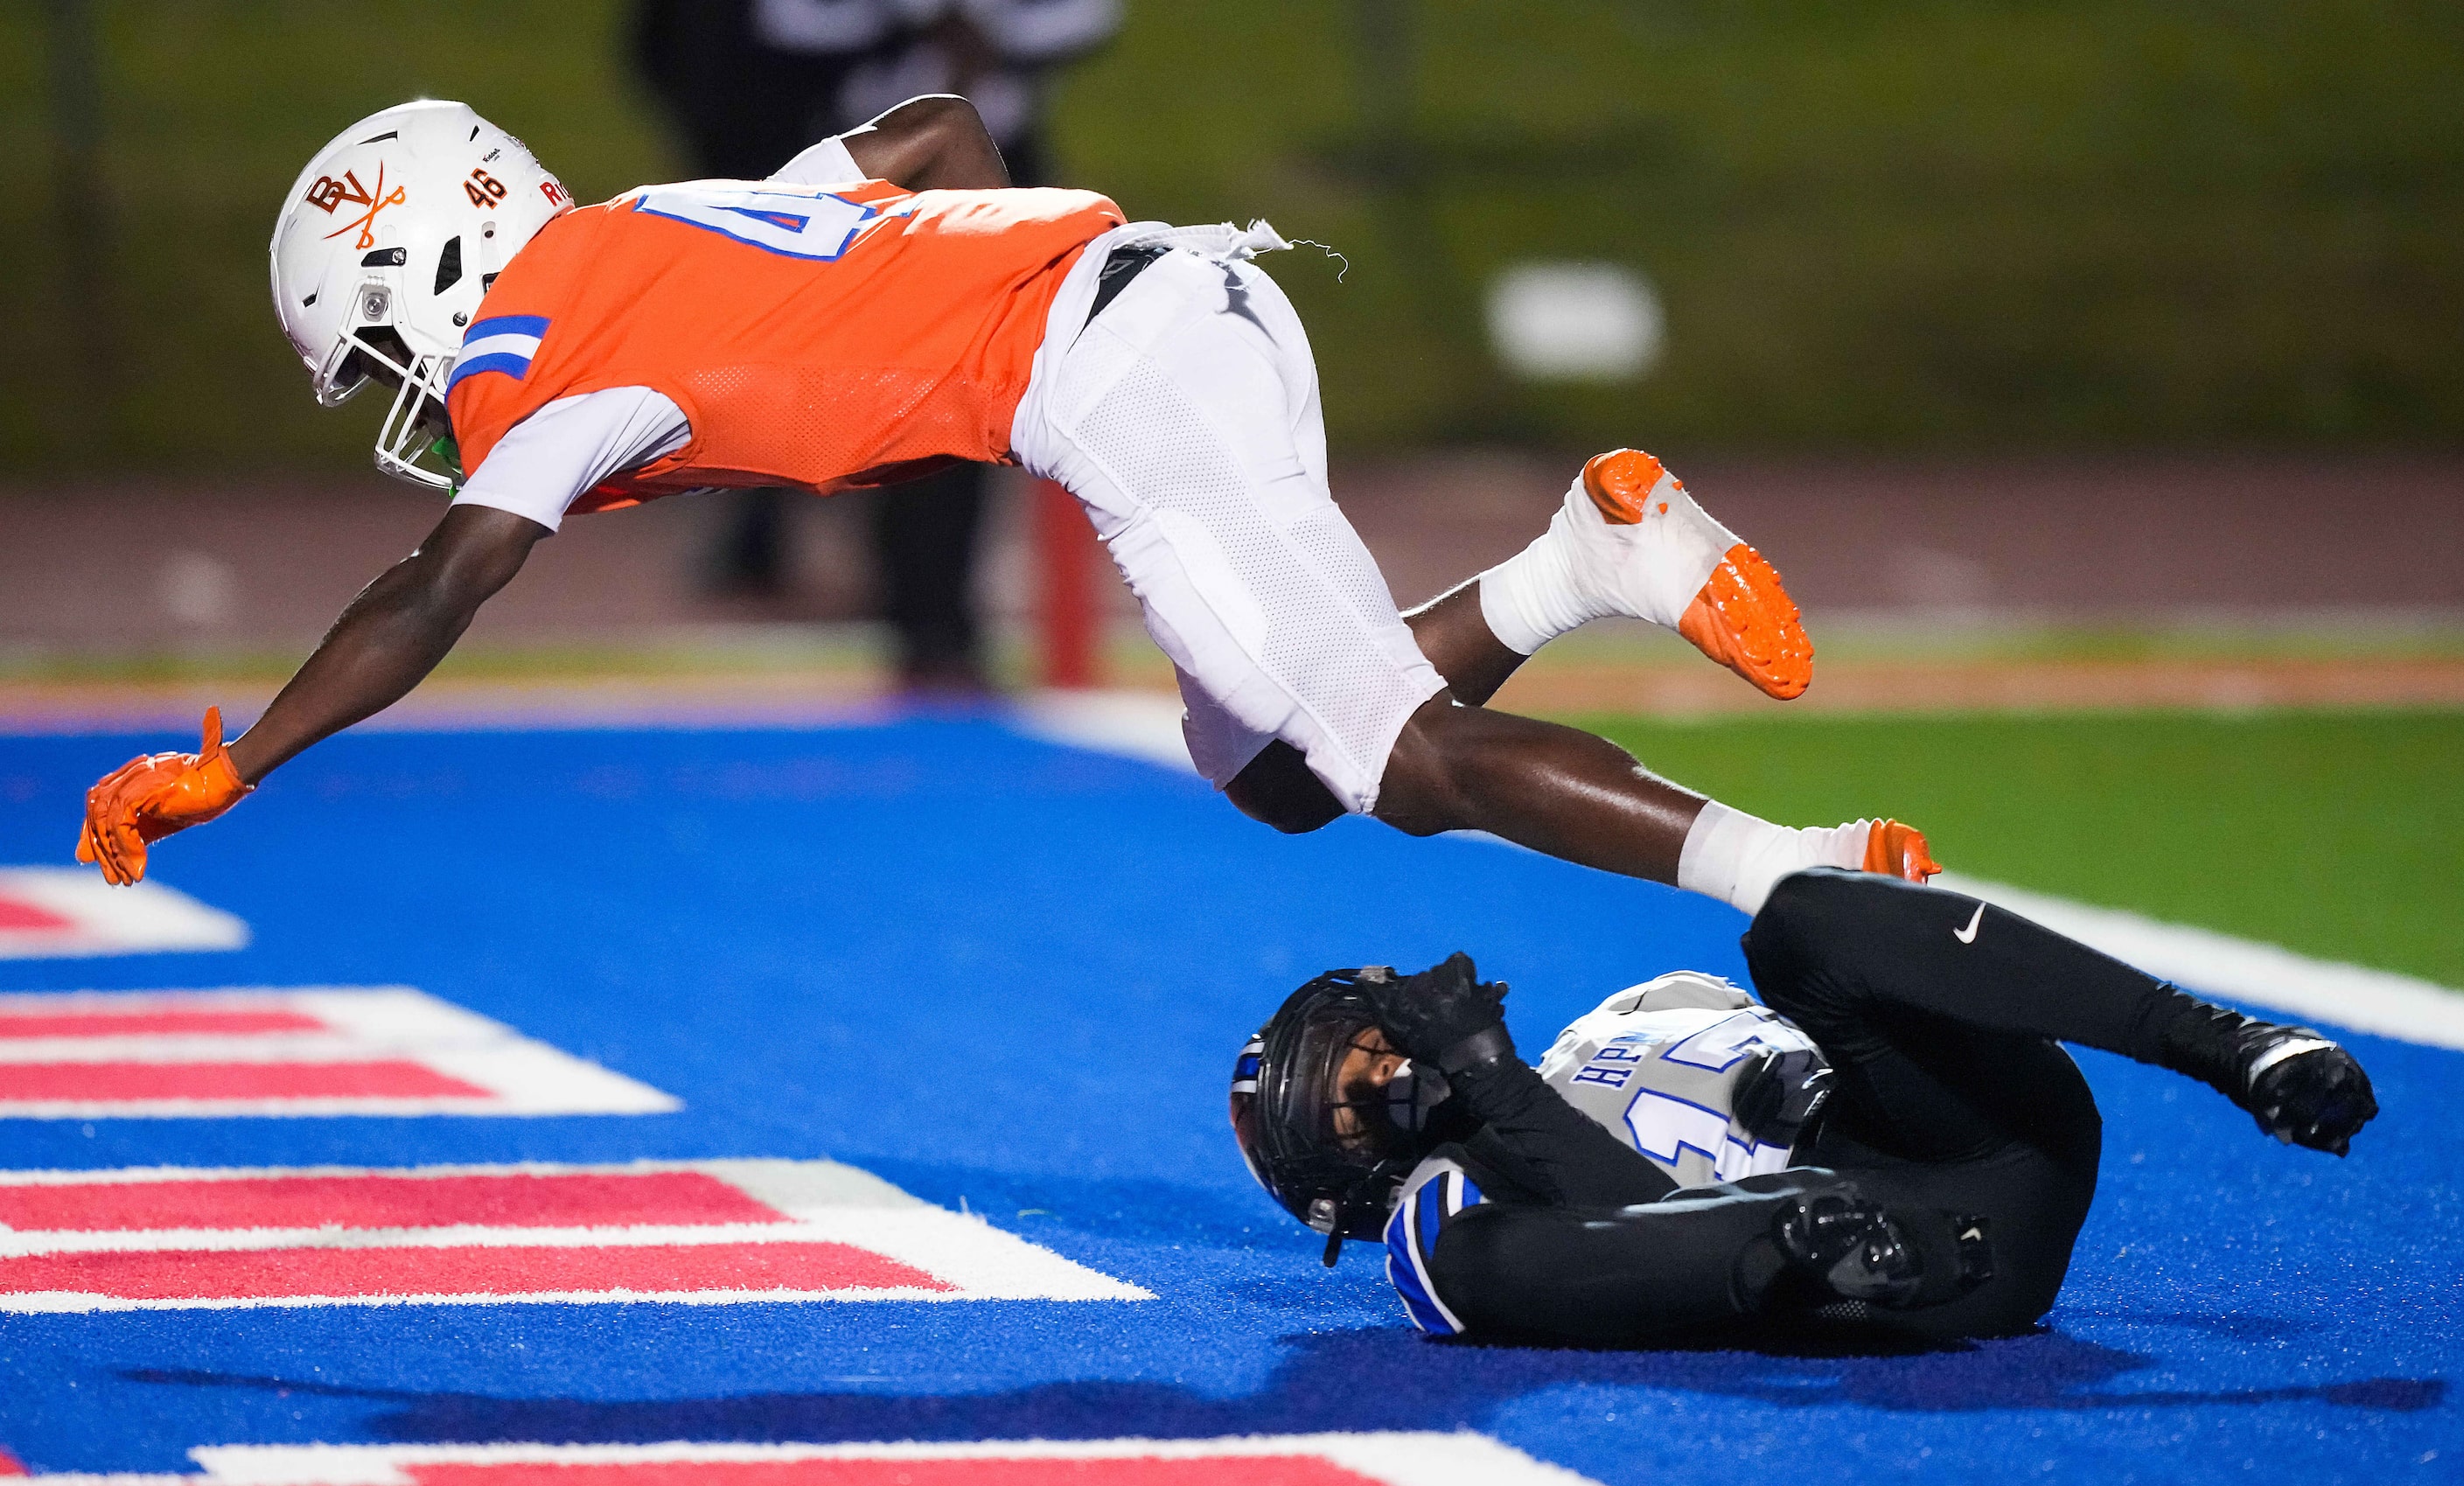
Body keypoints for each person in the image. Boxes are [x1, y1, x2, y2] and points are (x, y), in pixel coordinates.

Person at [76, 94, 1935, 912]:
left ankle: (1800, 871)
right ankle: (1580, 556)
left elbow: (435, 587)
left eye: (387, 356)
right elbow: (937, 137)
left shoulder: (549, 354)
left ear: (431, 275)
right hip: (1166, 309)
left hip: (1121, 370)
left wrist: (244, 763)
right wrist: (1037, 293)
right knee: (1276, 773)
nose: (415, 402)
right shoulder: (652, 227)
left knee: (1397, 763)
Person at [1229, 870, 2380, 1346]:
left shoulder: (1627, 1014)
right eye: (1345, 1102)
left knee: (1799, 924)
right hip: (1890, 1266)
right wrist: (1488, 1082)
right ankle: (1832, 1242)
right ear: (1337, 1178)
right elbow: (1641, 1225)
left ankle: (2232, 1043)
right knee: (1447, 1269)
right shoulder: (1448, 1197)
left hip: (1982, 1145)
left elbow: (1834, 1043)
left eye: (1362, 1047)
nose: (1380, 1074)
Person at [631, 0, 1120, 688]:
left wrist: (992, 31)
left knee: (975, 394)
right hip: (864, 183)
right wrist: (911, 22)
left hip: (997, 172)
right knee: (855, 387)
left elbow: (1085, 19)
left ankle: (935, 623)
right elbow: (787, 23)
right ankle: (826, 561)